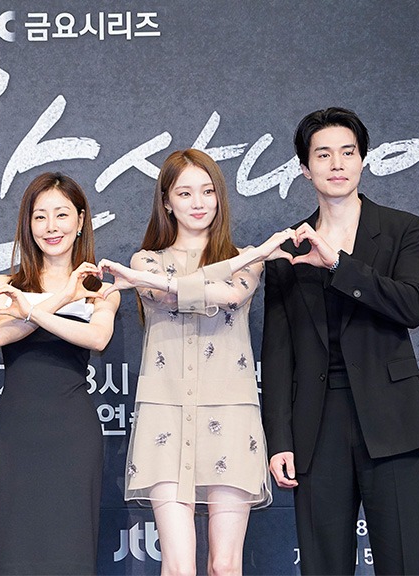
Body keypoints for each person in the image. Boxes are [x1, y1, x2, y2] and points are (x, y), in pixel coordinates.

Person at [261, 107, 419, 575]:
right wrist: (280, 439)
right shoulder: (288, 248)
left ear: (362, 160)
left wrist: (341, 265)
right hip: (316, 426)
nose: (337, 163)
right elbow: (277, 354)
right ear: (305, 168)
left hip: (392, 419)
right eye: (323, 154)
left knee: (406, 562)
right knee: (323, 565)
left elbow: (415, 305)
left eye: (348, 152)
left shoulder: (403, 229)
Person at [98, 149, 292, 575]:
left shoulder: (248, 259)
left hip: (231, 416)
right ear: (167, 201)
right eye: (185, 193)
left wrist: (242, 260)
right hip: (164, 415)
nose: (198, 202)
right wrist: (149, 279)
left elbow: (231, 295)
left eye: (207, 191)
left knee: (225, 565)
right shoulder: (145, 261)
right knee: (179, 566)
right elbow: (163, 294)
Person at [0, 172, 120, 575]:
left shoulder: (100, 288)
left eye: (61, 215)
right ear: (28, 224)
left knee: (69, 551)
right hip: (16, 429)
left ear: (80, 220)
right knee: (12, 552)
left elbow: (97, 338)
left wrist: (30, 309)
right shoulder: (6, 282)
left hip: (71, 430)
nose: (51, 227)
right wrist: (61, 298)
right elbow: (0, 333)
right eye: (40, 216)